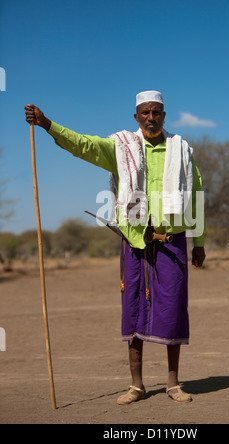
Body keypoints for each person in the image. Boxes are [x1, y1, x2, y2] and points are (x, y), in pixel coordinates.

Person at [25, 91, 206, 404]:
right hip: (136, 241)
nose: (152, 118)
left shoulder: (181, 149)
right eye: (146, 113)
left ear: (165, 115)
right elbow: (83, 145)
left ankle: (173, 383)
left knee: (173, 308)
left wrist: (198, 242)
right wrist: (47, 125)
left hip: (172, 240)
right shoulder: (121, 147)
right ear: (136, 117)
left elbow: (197, 194)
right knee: (133, 309)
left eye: (157, 113)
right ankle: (136, 385)